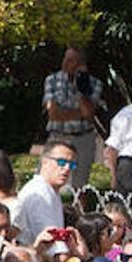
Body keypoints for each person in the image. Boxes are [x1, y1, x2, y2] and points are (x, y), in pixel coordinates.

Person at [43, 48, 99, 191]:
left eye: (71, 60)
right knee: (48, 178)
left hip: (83, 137)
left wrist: (81, 87)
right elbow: (53, 114)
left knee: (81, 185)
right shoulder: (52, 81)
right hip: (58, 136)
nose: (65, 63)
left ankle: (78, 212)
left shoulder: (94, 83)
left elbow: (88, 114)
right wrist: (78, 113)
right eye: (65, 59)